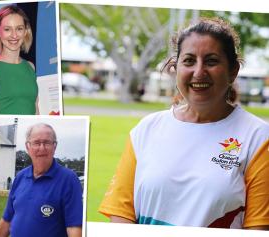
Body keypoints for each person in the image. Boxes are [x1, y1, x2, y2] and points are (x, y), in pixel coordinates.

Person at [99, 17, 269, 230]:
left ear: (233, 70)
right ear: (175, 67)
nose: (199, 72)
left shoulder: (258, 137)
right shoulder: (147, 129)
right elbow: (121, 215)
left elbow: (259, 229)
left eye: (211, 61)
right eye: (189, 61)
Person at [0, 123, 83, 237]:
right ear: (28, 147)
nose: (42, 148)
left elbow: (74, 228)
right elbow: (7, 219)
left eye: (47, 142)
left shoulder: (69, 179)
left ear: (54, 146)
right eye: (37, 143)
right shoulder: (20, 177)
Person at [0, 5, 39, 128]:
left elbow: (35, 110)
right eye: (7, 29)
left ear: (26, 31)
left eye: (19, 29)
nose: (14, 35)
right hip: (5, 142)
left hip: (30, 138)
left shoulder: (30, 67)